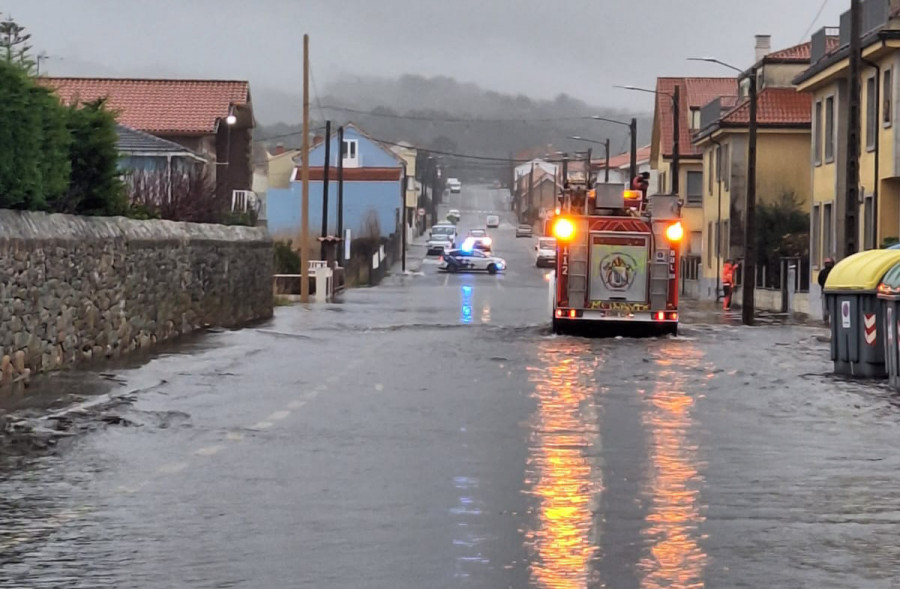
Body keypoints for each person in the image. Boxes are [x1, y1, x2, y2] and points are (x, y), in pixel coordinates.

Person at [818, 257, 835, 323]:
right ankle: (830, 318)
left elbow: (819, 281)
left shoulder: (822, 272)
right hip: (833, 291)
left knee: (825, 306)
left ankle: (826, 319)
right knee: (831, 305)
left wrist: (823, 286)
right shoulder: (834, 271)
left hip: (825, 291)